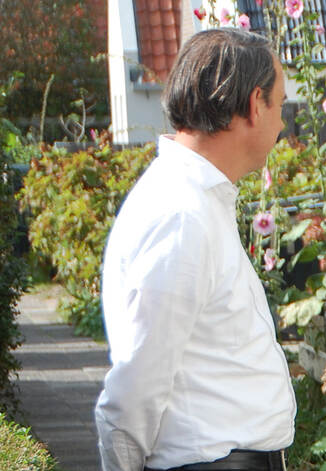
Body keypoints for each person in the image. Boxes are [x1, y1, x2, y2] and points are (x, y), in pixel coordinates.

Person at [95, 28, 295, 471]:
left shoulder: (195, 202)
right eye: (280, 104)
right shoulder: (181, 214)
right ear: (253, 104)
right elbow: (134, 388)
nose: (282, 122)